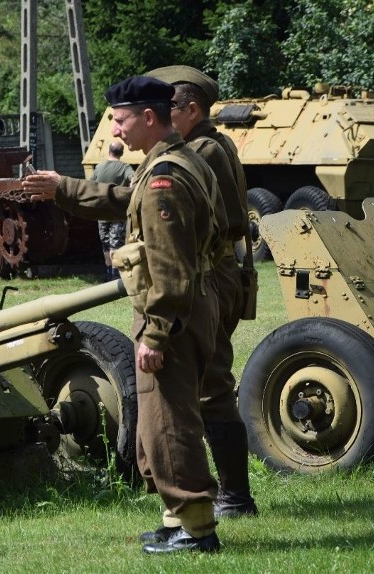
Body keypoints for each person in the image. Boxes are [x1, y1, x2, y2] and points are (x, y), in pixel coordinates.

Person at [22, 75, 227, 554]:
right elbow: (123, 201)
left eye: (120, 119)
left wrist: (155, 335)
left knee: (171, 424)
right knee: (159, 421)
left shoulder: (164, 179)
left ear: (149, 118)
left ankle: (197, 530)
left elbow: (171, 269)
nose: (115, 131)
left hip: (172, 315)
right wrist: (63, 189)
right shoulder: (176, 162)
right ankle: (176, 519)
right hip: (187, 308)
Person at [139, 66, 257, 536]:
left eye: (170, 109)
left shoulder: (203, 149)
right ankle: (229, 494)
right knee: (210, 381)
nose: (163, 119)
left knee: (210, 384)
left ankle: (233, 495)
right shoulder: (215, 143)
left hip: (212, 271)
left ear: (192, 110)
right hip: (222, 269)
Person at [91, 141, 134, 280]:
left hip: (101, 211)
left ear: (109, 151)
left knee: (106, 243)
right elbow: (133, 179)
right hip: (118, 212)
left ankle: (108, 271)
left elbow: (91, 184)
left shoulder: (99, 167)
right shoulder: (124, 167)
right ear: (121, 153)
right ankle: (116, 275)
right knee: (116, 243)